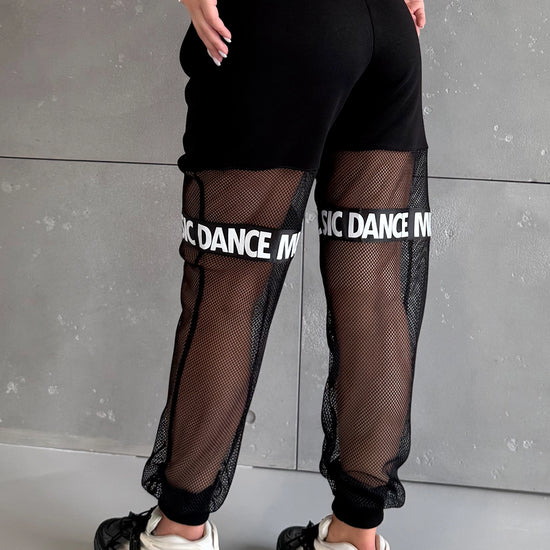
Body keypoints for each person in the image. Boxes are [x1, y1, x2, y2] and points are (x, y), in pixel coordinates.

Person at [94, 0, 430, 549]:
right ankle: (354, 535)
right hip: (388, 33)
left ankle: (178, 530)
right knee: (373, 287)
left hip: (278, 26)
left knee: (229, 287)